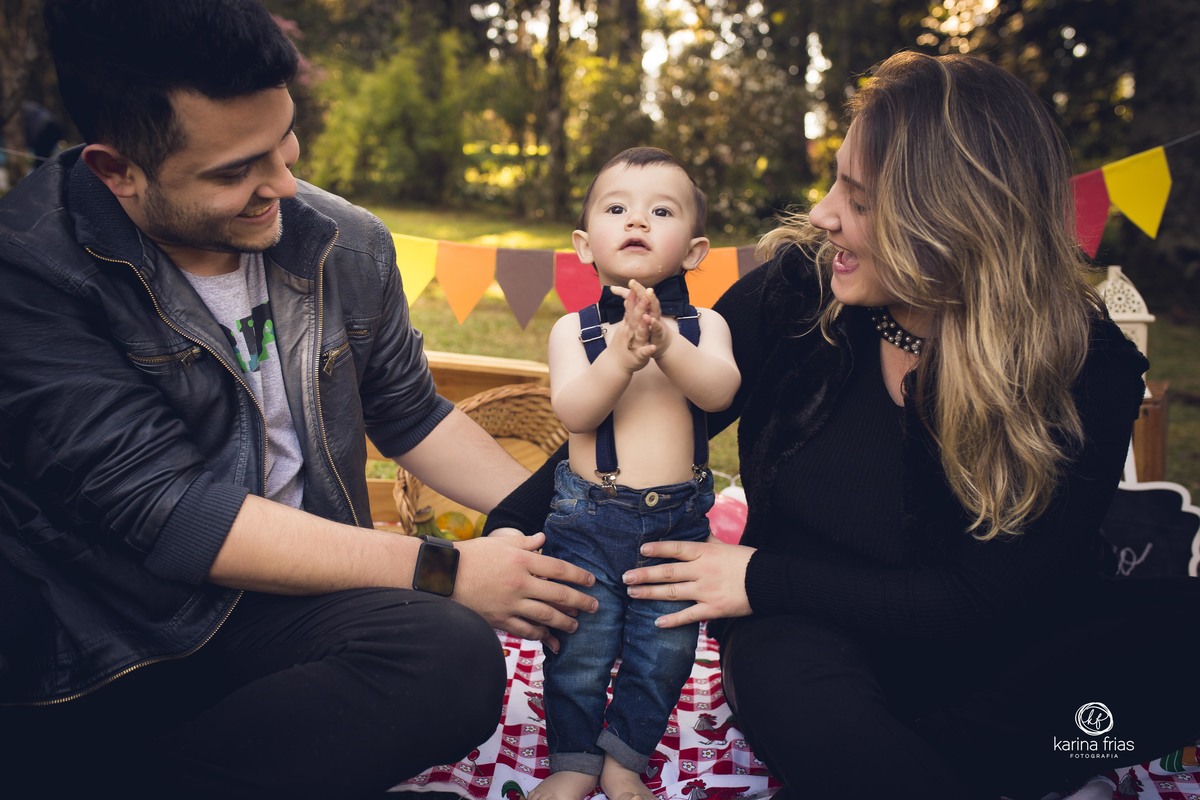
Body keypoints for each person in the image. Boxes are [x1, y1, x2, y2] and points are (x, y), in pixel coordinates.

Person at [486, 52, 1200, 800]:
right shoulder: (800, 292)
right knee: (798, 693)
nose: (824, 213)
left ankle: (958, 758)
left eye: (858, 199)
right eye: (836, 181)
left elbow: (990, 600)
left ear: (952, 222)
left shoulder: (1087, 366)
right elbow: (646, 414)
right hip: (804, 631)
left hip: (1007, 651)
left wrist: (758, 573)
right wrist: (510, 526)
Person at [0, 1, 596, 798]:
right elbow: (177, 514)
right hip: (108, 643)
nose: (282, 186)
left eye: (283, 145)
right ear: (118, 171)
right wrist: (448, 569)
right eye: (234, 171)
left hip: (290, 610)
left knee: (449, 658)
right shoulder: (30, 271)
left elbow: (412, 412)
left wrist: (568, 523)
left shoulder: (341, 241)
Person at [531, 147, 740, 800]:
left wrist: (667, 343)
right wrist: (620, 356)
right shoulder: (577, 332)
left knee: (665, 653)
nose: (637, 221)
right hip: (591, 518)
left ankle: (625, 756)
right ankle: (573, 759)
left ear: (696, 250)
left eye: (661, 211)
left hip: (676, 523)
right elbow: (574, 411)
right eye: (617, 208)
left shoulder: (705, 326)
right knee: (579, 648)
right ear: (584, 244)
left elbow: (720, 393)